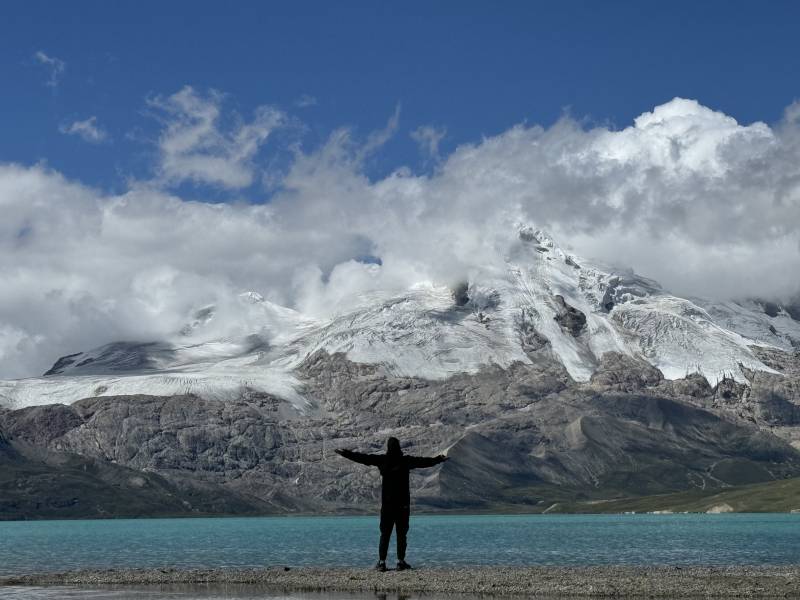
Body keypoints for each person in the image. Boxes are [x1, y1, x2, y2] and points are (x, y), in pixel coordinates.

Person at [335, 437, 448, 571]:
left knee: (385, 534)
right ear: (399, 446)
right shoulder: (406, 461)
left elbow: (363, 458)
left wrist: (345, 453)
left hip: (387, 506)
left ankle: (382, 563)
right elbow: (424, 462)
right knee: (402, 534)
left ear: (388, 447)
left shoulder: (383, 460)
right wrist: (439, 459)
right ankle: (401, 562)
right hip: (403, 506)